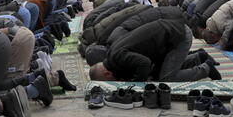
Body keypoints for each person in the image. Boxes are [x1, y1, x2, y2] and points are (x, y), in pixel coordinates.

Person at [89, 18, 221, 82]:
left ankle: (207, 68)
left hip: (177, 36)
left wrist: (138, 84)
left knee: (167, 78)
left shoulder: (118, 57)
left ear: (107, 74)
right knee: (158, 74)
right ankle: (198, 58)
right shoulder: (113, 55)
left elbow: (144, 63)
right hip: (167, 34)